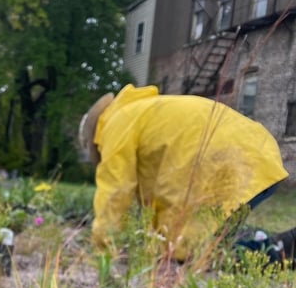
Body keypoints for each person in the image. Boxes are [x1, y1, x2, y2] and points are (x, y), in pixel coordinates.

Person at [79, 83, 288, 262]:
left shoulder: (116, 126)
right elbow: (168, 187)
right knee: (202, 241)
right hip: (258, 154)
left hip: (230, 162)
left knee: (188, 251)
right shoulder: (139, 112)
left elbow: (115, 192)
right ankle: (275, 246)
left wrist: (103, 246)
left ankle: (280, 250)